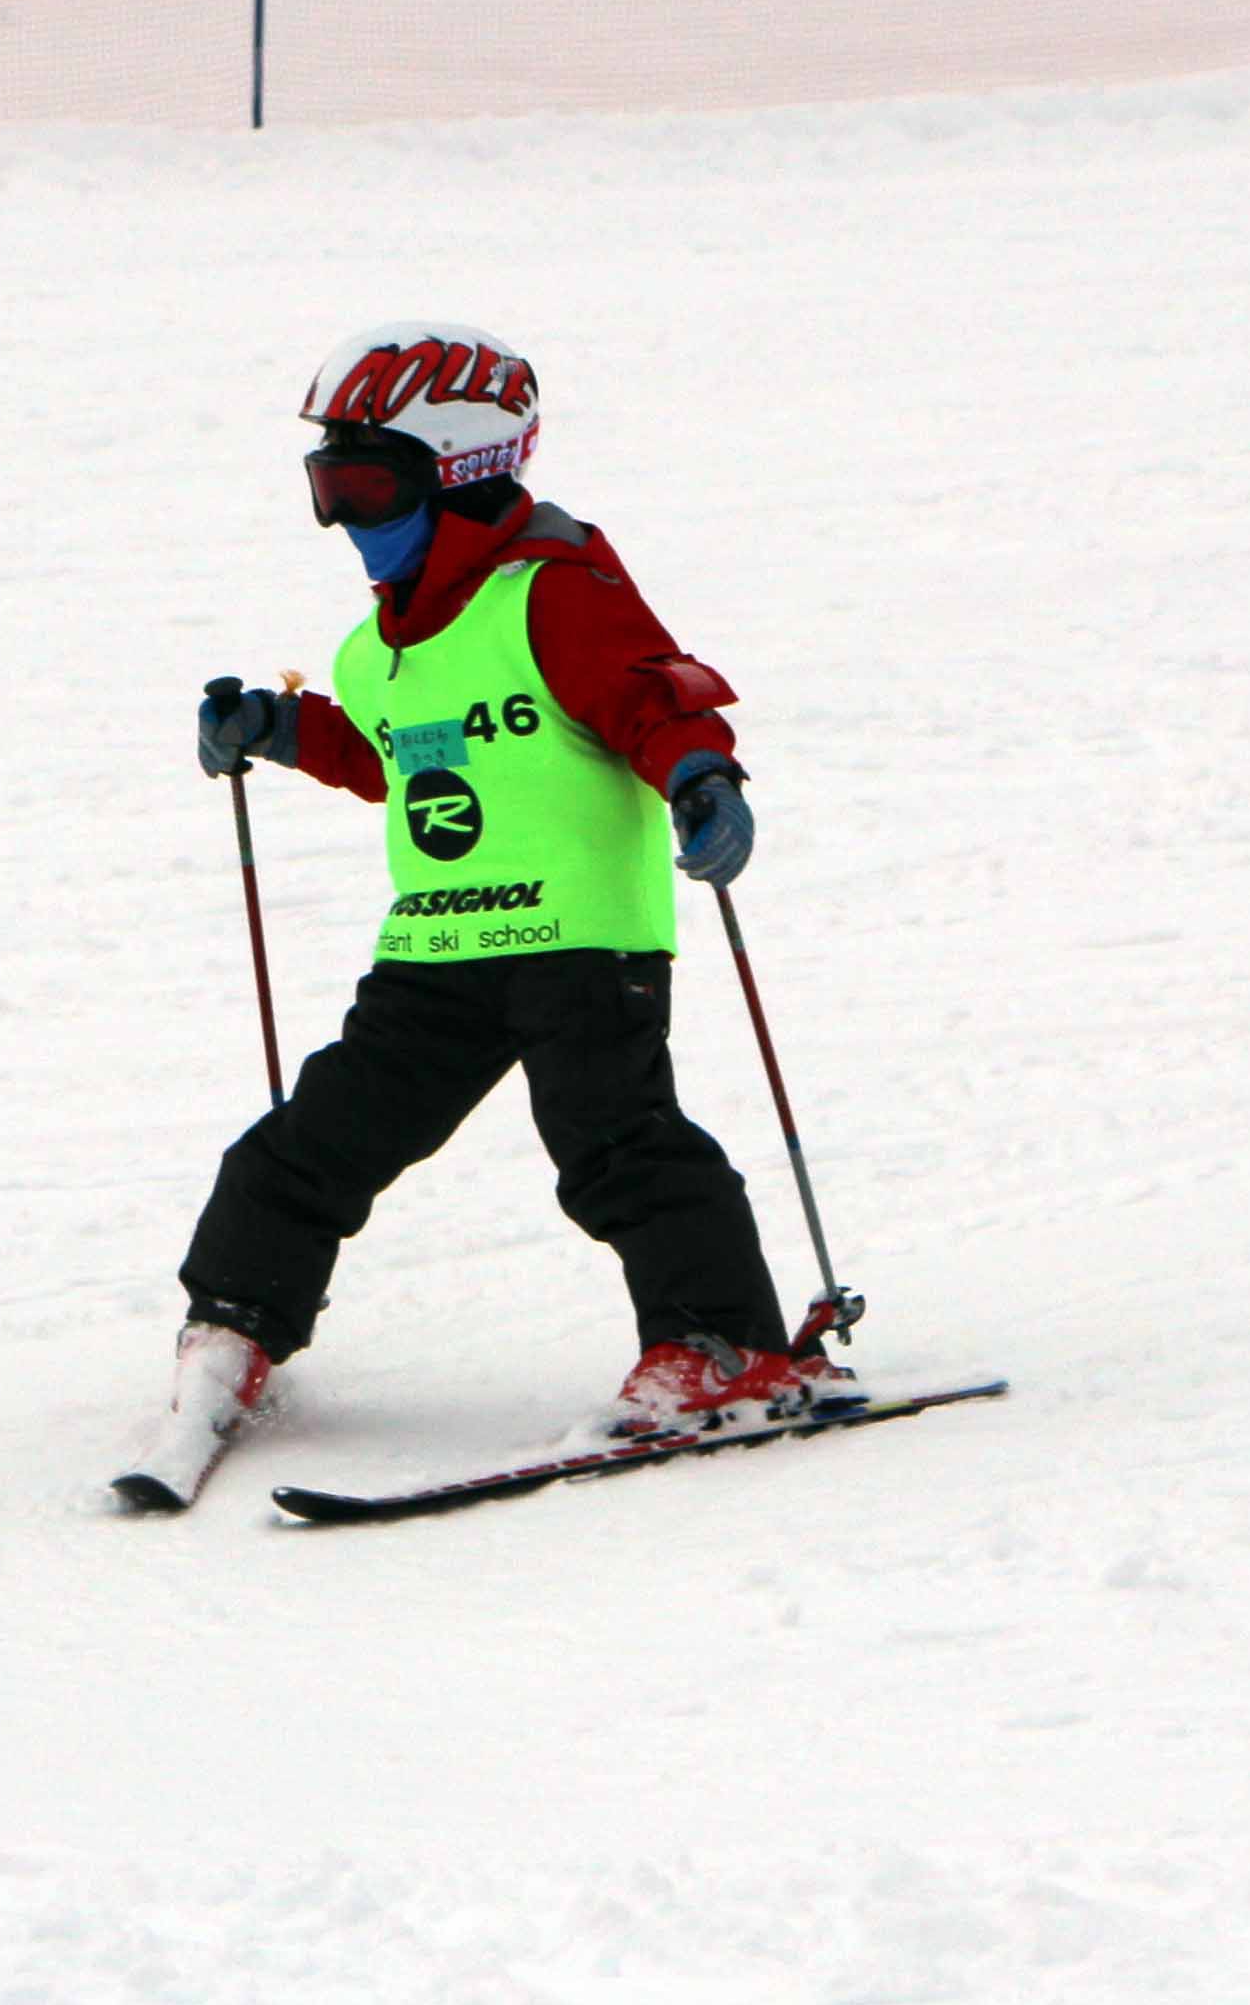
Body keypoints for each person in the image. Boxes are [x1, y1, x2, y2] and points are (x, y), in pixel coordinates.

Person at [167, 324, 815, 1443]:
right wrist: (282, 728)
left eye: (369, 487)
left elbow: (648, 698)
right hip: (438, 947)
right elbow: (394, 760)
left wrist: (701, 778)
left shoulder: (554, 593)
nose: (346, 520)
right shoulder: (378, 647)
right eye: (328, 489)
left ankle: (724, 1350)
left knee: (616, 1146)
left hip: (581, 940)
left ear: (461, 469)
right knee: (312, 1142)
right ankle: (234, 1327)